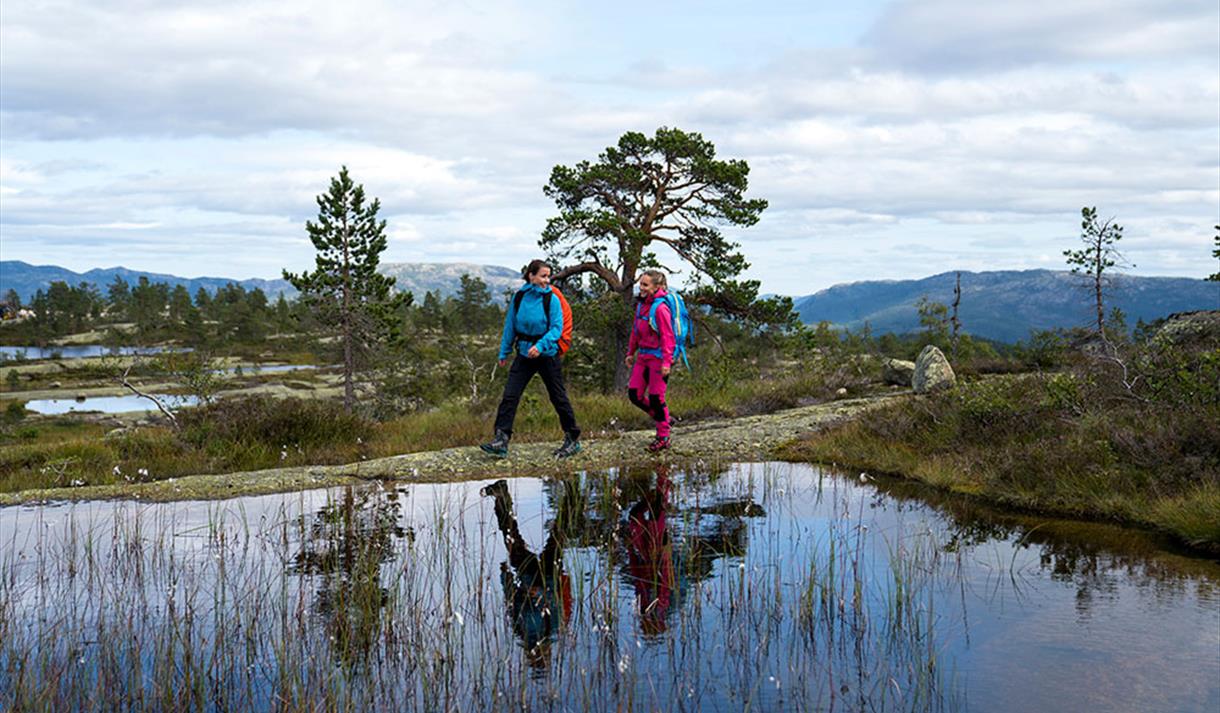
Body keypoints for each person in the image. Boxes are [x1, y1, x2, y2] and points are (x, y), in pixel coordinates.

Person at [481, 259, 581, 459]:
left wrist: (541, 346)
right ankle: (501, 439)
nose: (547, 280)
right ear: (531, 276)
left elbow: (556, 328)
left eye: (548, 276)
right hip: (524, 354)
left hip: (547, 355)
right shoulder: (520, 297)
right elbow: (510, 325)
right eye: (543, 276)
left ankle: (572, 439)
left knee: (558, 397)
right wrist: (504, 351)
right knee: (510, 396)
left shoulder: (551, 299)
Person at [481, 478, 573, 671]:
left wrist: (505, 577)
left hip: (527, 576)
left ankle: (501, 495)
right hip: (549, 575)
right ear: (547, 654)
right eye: (540, 657)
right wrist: (539, 593)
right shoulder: (553, 631)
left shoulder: (520, 633)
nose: (535, 654)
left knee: (511, 538)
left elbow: (511, 602)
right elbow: (556, 602)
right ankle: (572, 493)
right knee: (560, 533)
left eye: (534, 658)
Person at [624, 270, 676, 452]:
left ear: (657, 287)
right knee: (634, 395)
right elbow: (635, 331)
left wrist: (667, 362)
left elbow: (668, 337)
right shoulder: (641, 305)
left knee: (656, 398)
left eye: (645, 285)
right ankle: (664, 419)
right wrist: (631, 352)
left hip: (658, 359)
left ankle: (663, 437)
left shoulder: (660, 309)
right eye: (641, 284)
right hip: (643, 357)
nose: (641, 288)